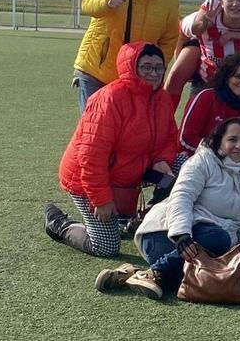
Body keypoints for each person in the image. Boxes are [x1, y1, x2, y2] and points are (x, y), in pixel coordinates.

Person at [94, 118, 240, 299]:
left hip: (201, 247)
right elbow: (181, 198)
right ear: (219, 140)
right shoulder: (202, 161)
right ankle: (155, 272)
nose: (239, 145)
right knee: (217, 242)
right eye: (232, 139)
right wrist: (182, 235)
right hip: (166, 234)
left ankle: (135, 274)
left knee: (205, 277)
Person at [45, 42, 178, 258]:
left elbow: (171, 138)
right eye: (146, 67)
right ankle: (60, 223)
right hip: (89, 180)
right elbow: (90, 156)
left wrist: (163, 159)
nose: (153, 73)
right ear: (131, 67)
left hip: (133, 172)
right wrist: (101, 200)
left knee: (182, 165)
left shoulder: (162, 98)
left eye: (158, 67)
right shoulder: (109, 98)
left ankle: (145, 216)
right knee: (106, 247)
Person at [73, 0, 180, 112]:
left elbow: (169, 39)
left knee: (128, 133)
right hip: (98, 74)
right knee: (95, 131)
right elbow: (87, 4)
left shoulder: (170, 0)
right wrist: (107, 1)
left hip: (136, 79)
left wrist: (154, 69)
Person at [175, 53, 240, 173]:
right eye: (238, 76)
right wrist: (219, 152)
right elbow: (185, 138)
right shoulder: (207, 97)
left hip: (232, 166)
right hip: (196, 161)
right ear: (227, 78)